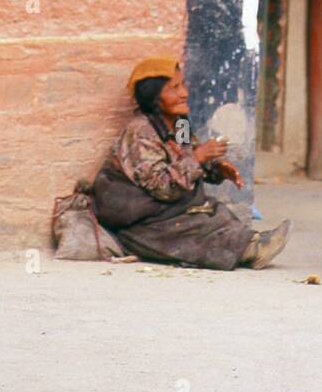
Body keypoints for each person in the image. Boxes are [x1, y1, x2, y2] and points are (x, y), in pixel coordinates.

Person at [93, 57, 291, 270]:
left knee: (216, 210)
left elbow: (188, 158)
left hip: (168, 209)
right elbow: (161, 186)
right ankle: (250, 250)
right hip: (140, 220)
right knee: (191, 229)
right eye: (174, 88)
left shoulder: (180, 124)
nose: (184, 93)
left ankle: (251, 245)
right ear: (153, 97)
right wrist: (198, 157)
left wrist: (215, 169)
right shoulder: (140, 132)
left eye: (183, 85)